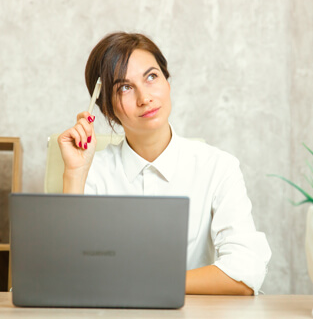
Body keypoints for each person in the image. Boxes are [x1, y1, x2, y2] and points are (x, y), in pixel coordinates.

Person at [58, 32, 271, 295]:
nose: (144, 97)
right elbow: (64, 274)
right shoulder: (92, 172)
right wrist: (74, 173)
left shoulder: (218, 167)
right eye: (124, 87)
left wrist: (153, 284)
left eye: (151, 77)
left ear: (167, 82)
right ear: (106, 109)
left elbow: (247, 270)